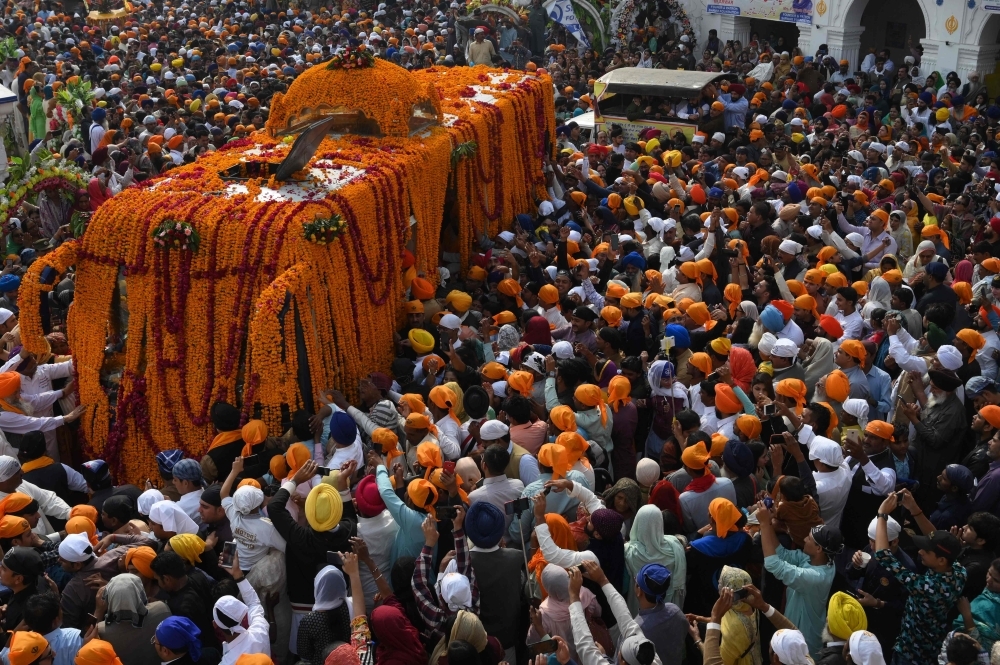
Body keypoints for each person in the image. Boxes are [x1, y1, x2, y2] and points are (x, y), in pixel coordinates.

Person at [873, 491, 967, 665]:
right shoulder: (959, 572)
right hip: (932, 647)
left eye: (926, 550)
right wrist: (914, 509)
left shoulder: (926, 586)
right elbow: (939, 540)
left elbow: (882, 556)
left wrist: (882, 514)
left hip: (910, 654)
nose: (920, 551)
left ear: (941, 560)